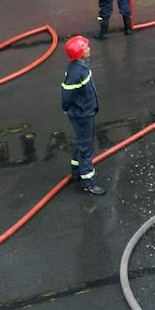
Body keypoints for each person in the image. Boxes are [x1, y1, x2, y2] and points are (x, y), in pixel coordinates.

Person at [59, 35, 105, 196]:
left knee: (81, 142)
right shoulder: (77, 72)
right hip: (83, 114)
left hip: (85, 111)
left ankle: (76, 172)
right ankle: (88, 183)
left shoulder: (80, 66)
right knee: (86, 147)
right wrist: (66, 108)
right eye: (85, 48)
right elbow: (67, 94)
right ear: (79, 53)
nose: (88, 49)